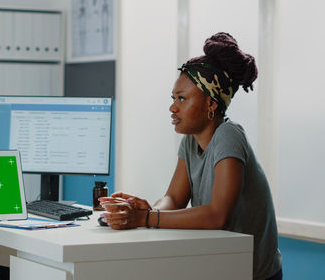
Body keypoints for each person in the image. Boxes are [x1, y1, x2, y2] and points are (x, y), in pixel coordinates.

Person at [99, 32, 282, 280]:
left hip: (252, 274)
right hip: (219, 266)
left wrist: (146, 218)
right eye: (174, 98)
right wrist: (148, 209)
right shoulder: (190, 139)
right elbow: (174, 198)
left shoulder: (229, 135)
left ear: (211, 105)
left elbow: (218, 215)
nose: (173, 107)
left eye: (183, 99)